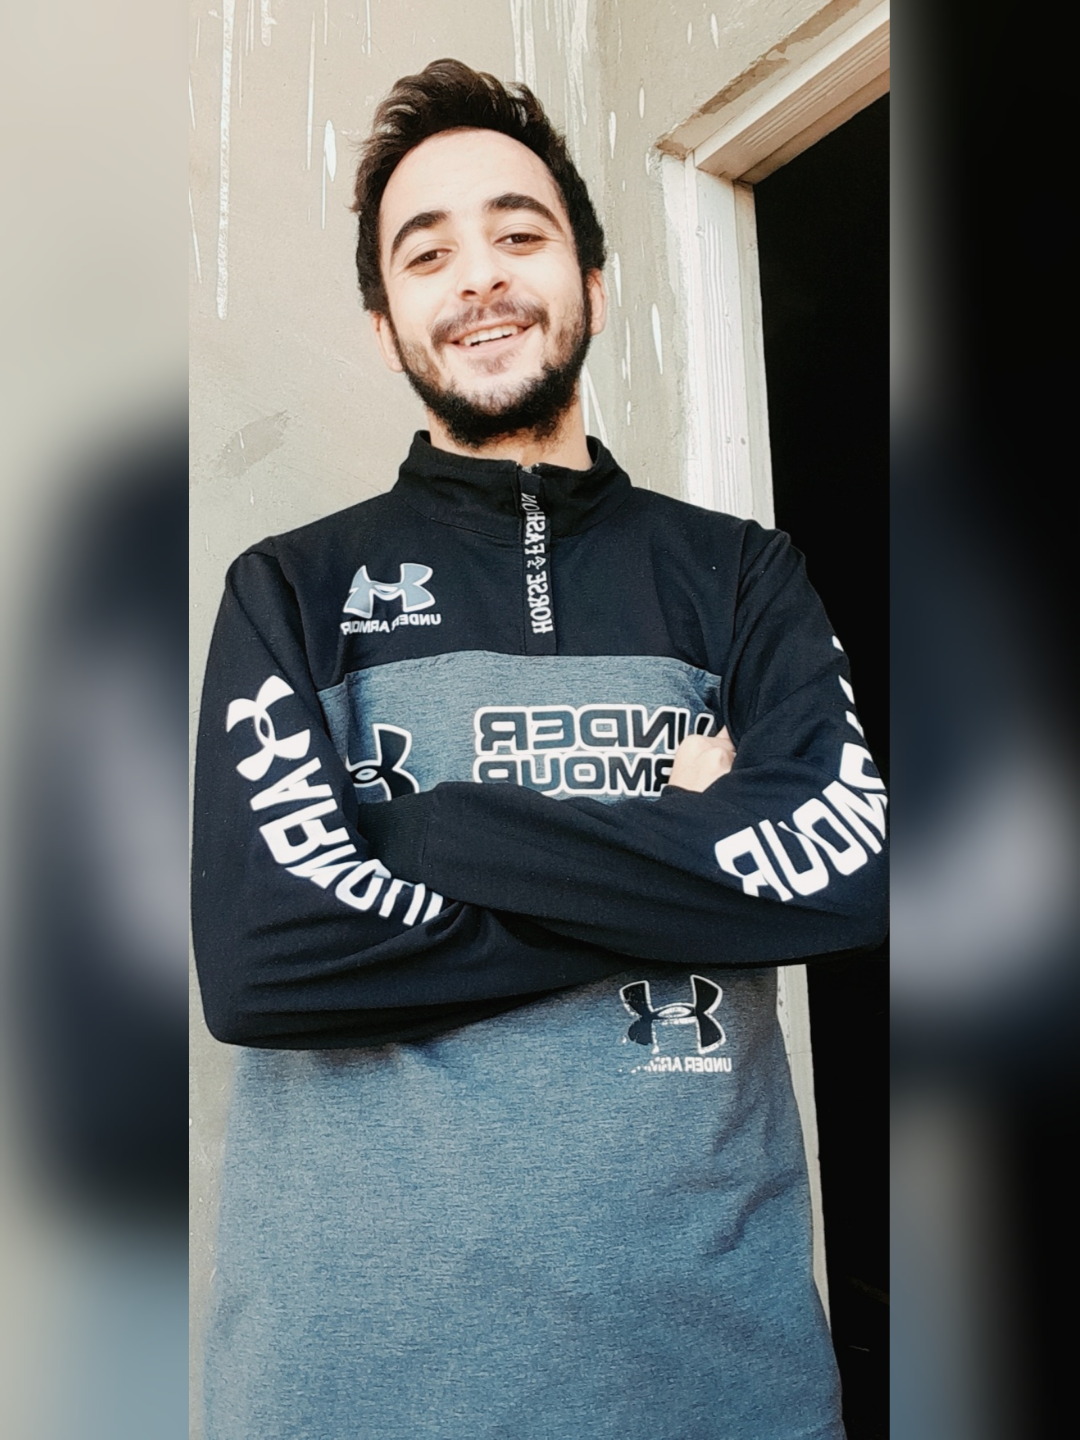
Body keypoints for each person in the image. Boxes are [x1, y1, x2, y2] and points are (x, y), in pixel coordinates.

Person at [192, 58, 887, 1440]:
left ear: (594, 284)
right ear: (385, 324)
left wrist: (434, 826)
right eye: (428, 253)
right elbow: (267, 959)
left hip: (715, 1378)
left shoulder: (741, 576)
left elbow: (844, 871)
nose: (481, 276)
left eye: (520, 233)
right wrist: (686, 855)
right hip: (357, 1386)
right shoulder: (290, 590)